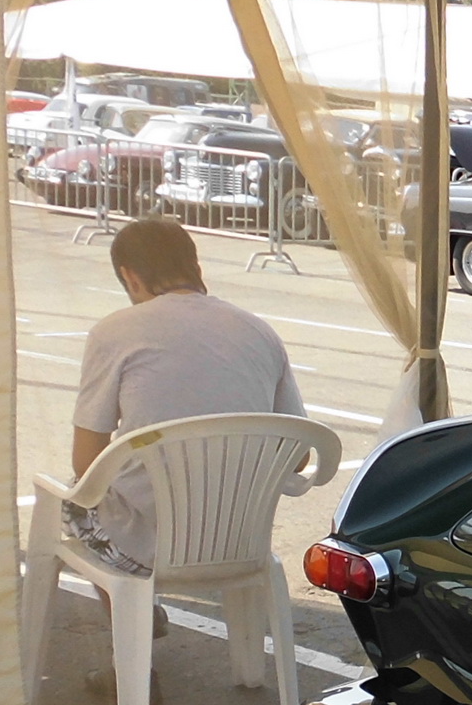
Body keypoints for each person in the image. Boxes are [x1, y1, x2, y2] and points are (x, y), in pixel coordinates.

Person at [70, 218, 306, 581]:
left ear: (130, 277)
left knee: (72, 500)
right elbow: (299, 456)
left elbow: (86, 463)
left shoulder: (114, 332)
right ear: (195, 267)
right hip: (240, 544)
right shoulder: (259, 331)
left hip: (146, 548)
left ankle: (127, 605)